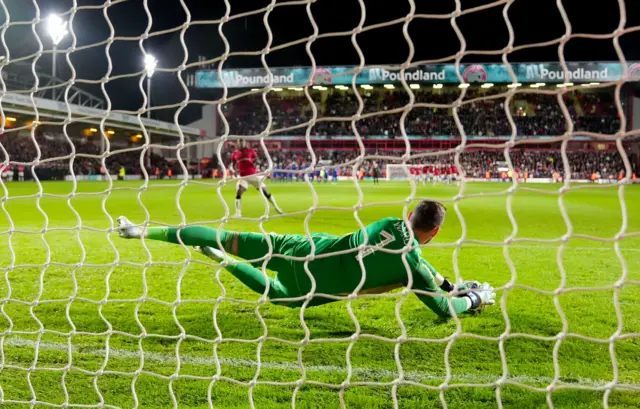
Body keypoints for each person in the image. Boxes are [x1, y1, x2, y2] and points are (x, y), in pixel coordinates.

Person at [116, 200, 495, 317]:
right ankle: (222, 262)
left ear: (409, 213)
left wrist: (446, 281)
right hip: (315, 288)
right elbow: (444, 309)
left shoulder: (388, 221)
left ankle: (142, 230)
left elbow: (409, 249)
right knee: (280, 296)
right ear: (436, 232)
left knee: (228, 236)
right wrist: (471, 296)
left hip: (299, 248)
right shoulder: (411, 267)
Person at [229, 138, 283, 217]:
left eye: (242, 142)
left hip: (253, 176)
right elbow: (232, 165)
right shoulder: (235, 154)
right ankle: (238, 213)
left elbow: (258, 160)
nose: (241, 143)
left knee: (266, 193)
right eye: (239, 142)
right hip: (243, 177)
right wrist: (234, 170)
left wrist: (257, 164)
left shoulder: (251, 151)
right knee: (239, 192)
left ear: (245, 142)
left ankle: (276, 207)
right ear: (237, 143)